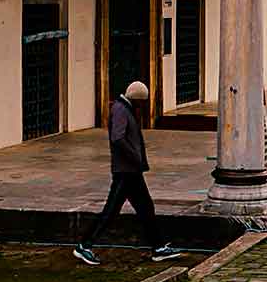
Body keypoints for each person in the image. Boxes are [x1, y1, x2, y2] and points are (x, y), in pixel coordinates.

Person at [74, 79, 186, 265]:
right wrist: (134, 157)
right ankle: (84, 246)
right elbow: (118, 138)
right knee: (111, 211)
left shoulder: (125, 109)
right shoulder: (120, 110)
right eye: (142, 102)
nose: (143, 107)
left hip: (132, 171)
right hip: (125, 172)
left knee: (146, 208)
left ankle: (158, 247)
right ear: (137, 99)